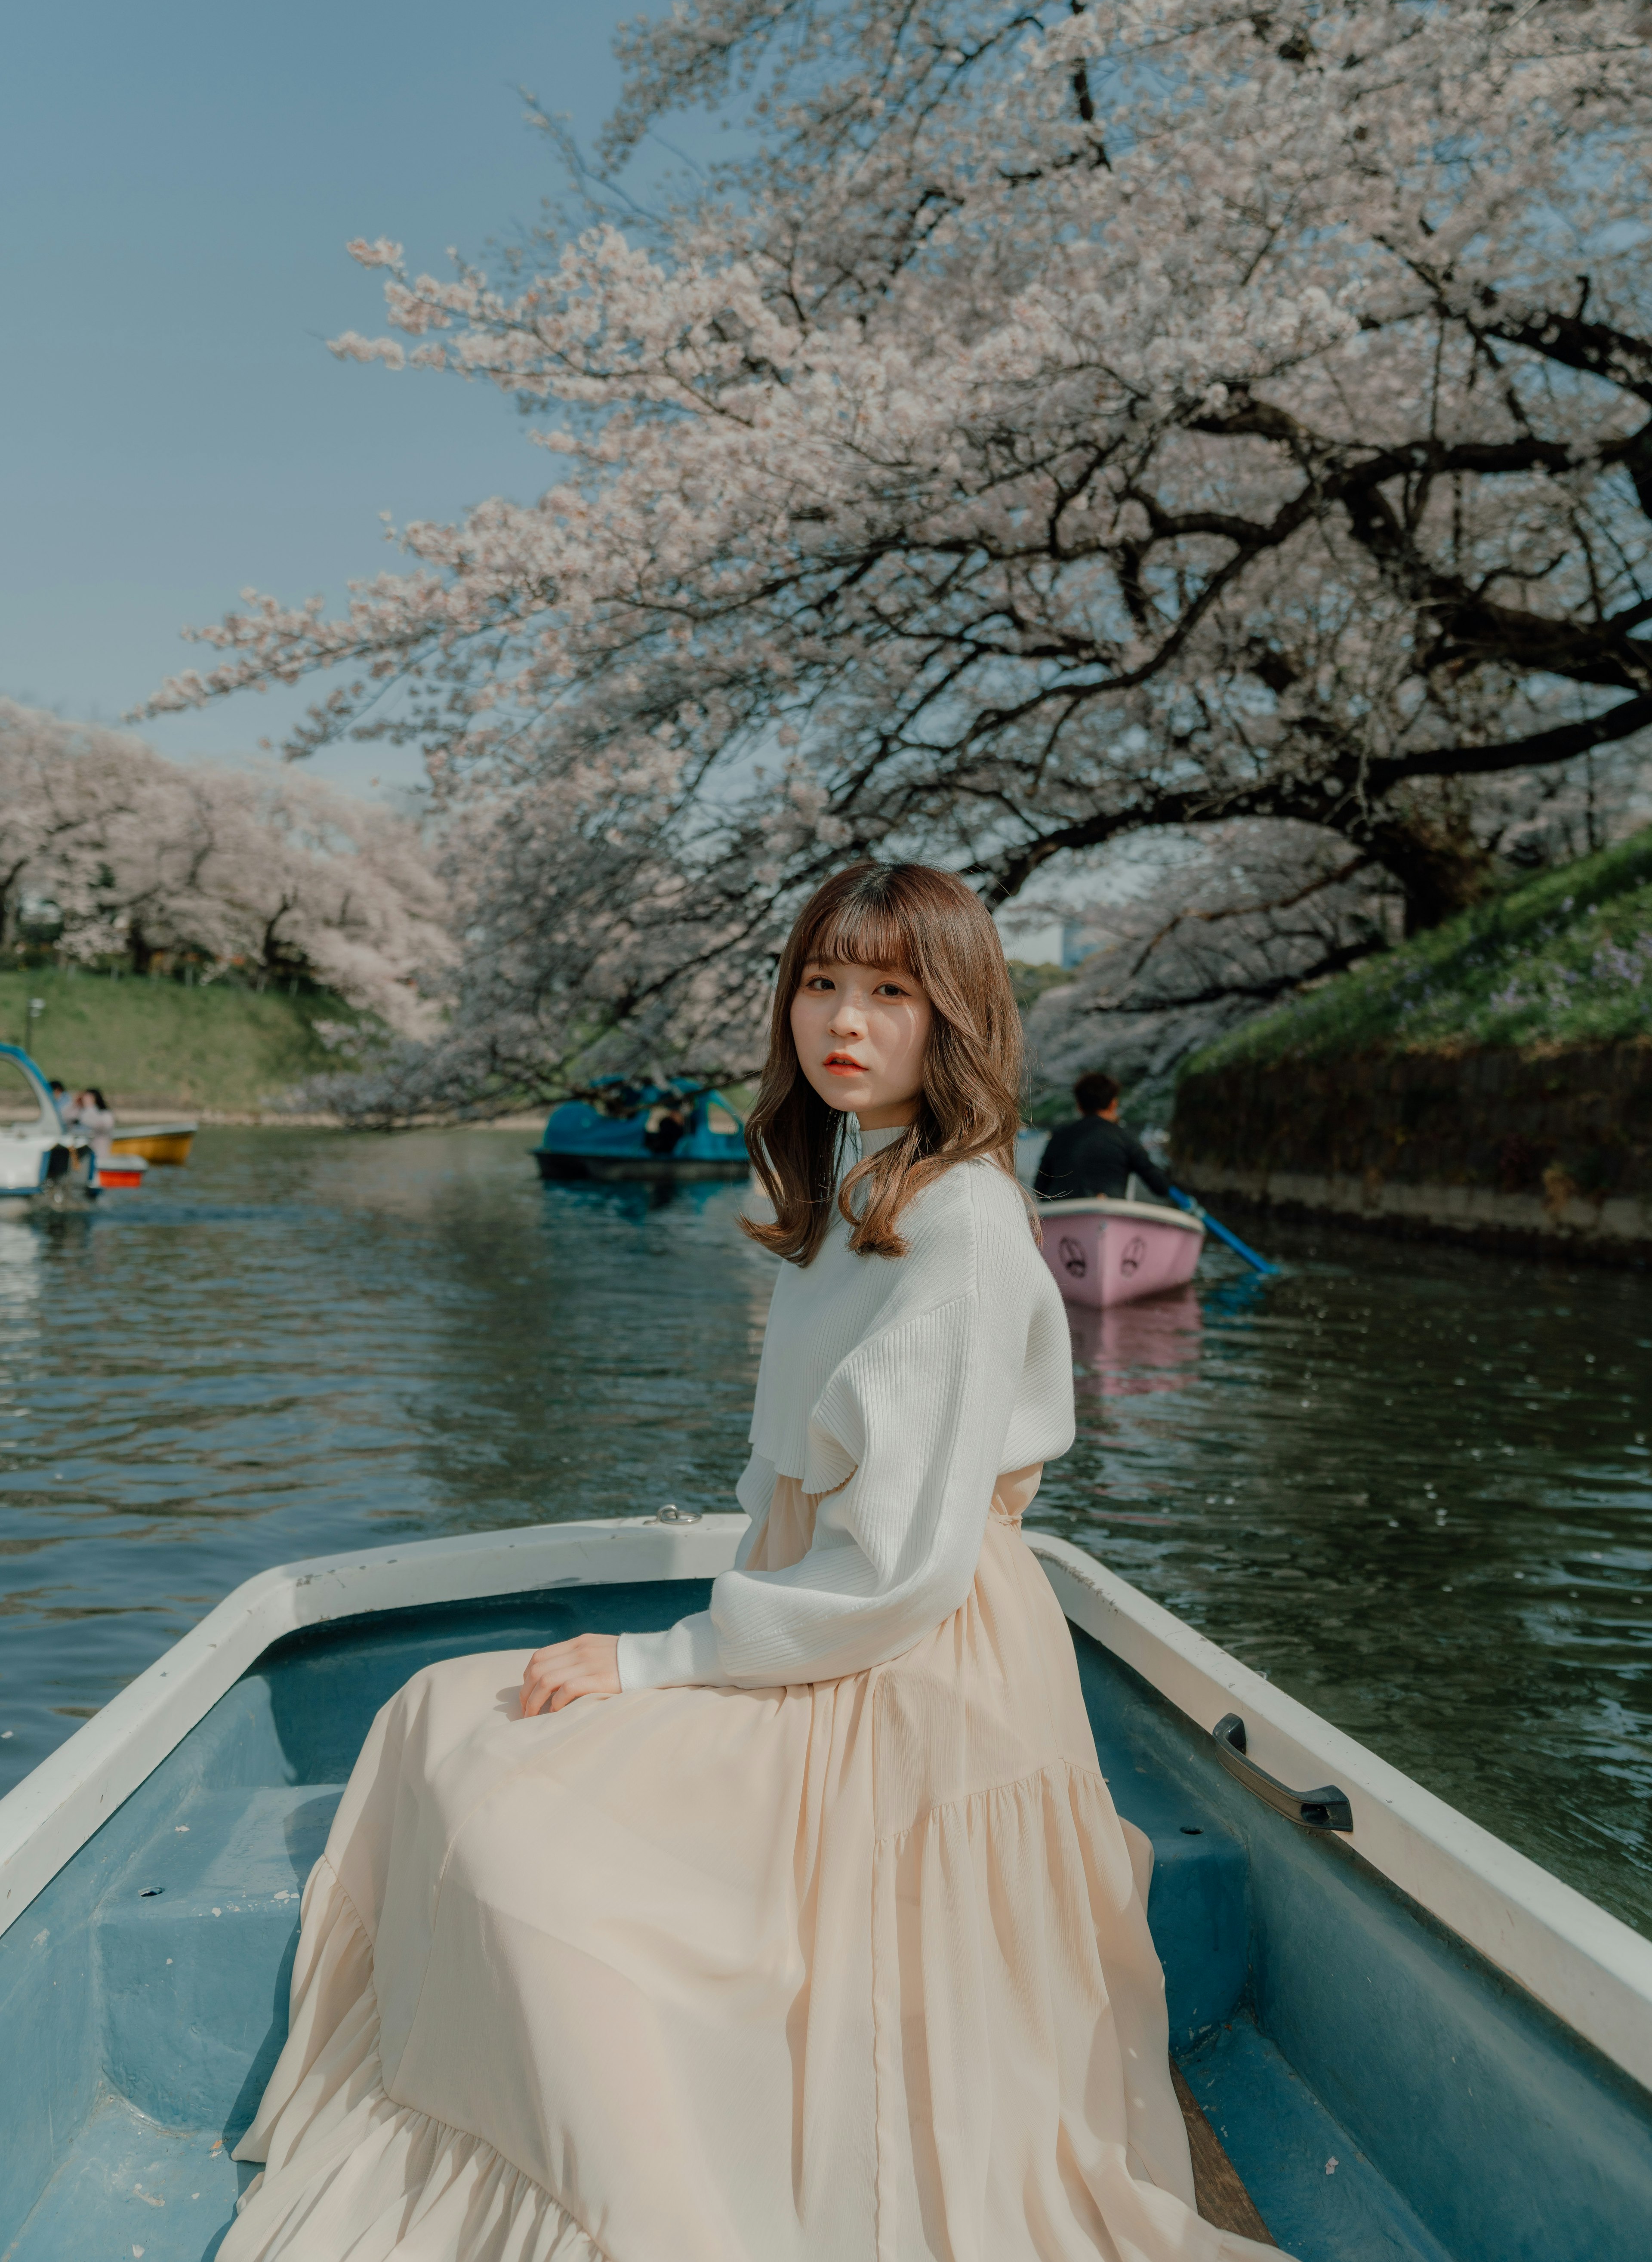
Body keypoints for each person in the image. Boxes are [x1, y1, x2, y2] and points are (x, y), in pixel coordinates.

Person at [222, 863, 1282, 2262]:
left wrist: (659, 1659)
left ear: (953, 1015)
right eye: (821, 983)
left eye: (891, 991)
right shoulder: (856, 1190)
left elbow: (903, 1569)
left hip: (910, 1666)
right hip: (829, 1626)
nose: (843, 1020)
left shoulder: (956, 1227)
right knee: (441, 1722)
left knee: (487, 1777)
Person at [1035, 1069, 1176, 1204]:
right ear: (1114, 1104)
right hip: (1108, 1211)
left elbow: (1040, 1189)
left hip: (1063, 1216)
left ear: (1079, 1105)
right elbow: (1161, 1187)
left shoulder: (1059, 1137)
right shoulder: (1125, 1138)